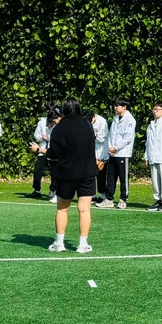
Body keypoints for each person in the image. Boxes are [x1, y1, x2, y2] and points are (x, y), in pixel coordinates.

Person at [47, 98, 97, 253]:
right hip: (87, 171)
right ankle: (83, 244)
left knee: (62, 209)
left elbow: (54, 154)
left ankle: (59, 243)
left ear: (63, 111)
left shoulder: (59, 129)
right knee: (85, 209)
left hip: (66, 172)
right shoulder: (87, 124)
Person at [108, 99, 136, 209]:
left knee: (123, 178)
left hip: (123, 153)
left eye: (118, 105)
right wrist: (111, 148)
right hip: (113, 153)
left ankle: (123, 199)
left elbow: (127, 138)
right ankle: (109, 199)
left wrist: (116, 147)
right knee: (111, 177)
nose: (115, 107)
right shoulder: (115, 119)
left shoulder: (130, 120)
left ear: (124, 107)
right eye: (115, 105)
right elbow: (111, 135)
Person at [29, 105, 58, 201]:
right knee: (37, 170)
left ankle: (52, 190)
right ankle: (37, 190)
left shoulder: (58, 123)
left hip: (53, 150)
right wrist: (42, 137)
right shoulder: (42, 122)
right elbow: (36, 135)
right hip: (42, 149)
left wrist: (48, 138)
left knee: (54, 172)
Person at [91, 108, 111, 206]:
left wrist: (94, 135)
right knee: (91, 175)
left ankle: (102, 195)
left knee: (101, 175)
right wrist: (95, 135)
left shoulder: (103, 122)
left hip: (102, 152)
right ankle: (92, 195)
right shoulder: (89, 121)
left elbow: (101, 138)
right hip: (93, 152)